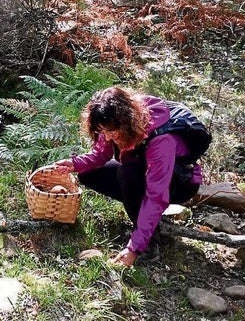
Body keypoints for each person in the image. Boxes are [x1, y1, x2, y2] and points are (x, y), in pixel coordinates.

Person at [53, 86, 202, 267]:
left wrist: (134, 247)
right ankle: (142, 218)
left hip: (180, 182)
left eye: (112, 133)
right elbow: (101, 153)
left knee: (128, 173)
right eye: (102, 132)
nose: (107, 138)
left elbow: (156, 195)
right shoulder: (110, 122)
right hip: (144, 171)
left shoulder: (161, 140)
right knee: (88, 174)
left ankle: (148, 243)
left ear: (126, 123)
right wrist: (75, 164)